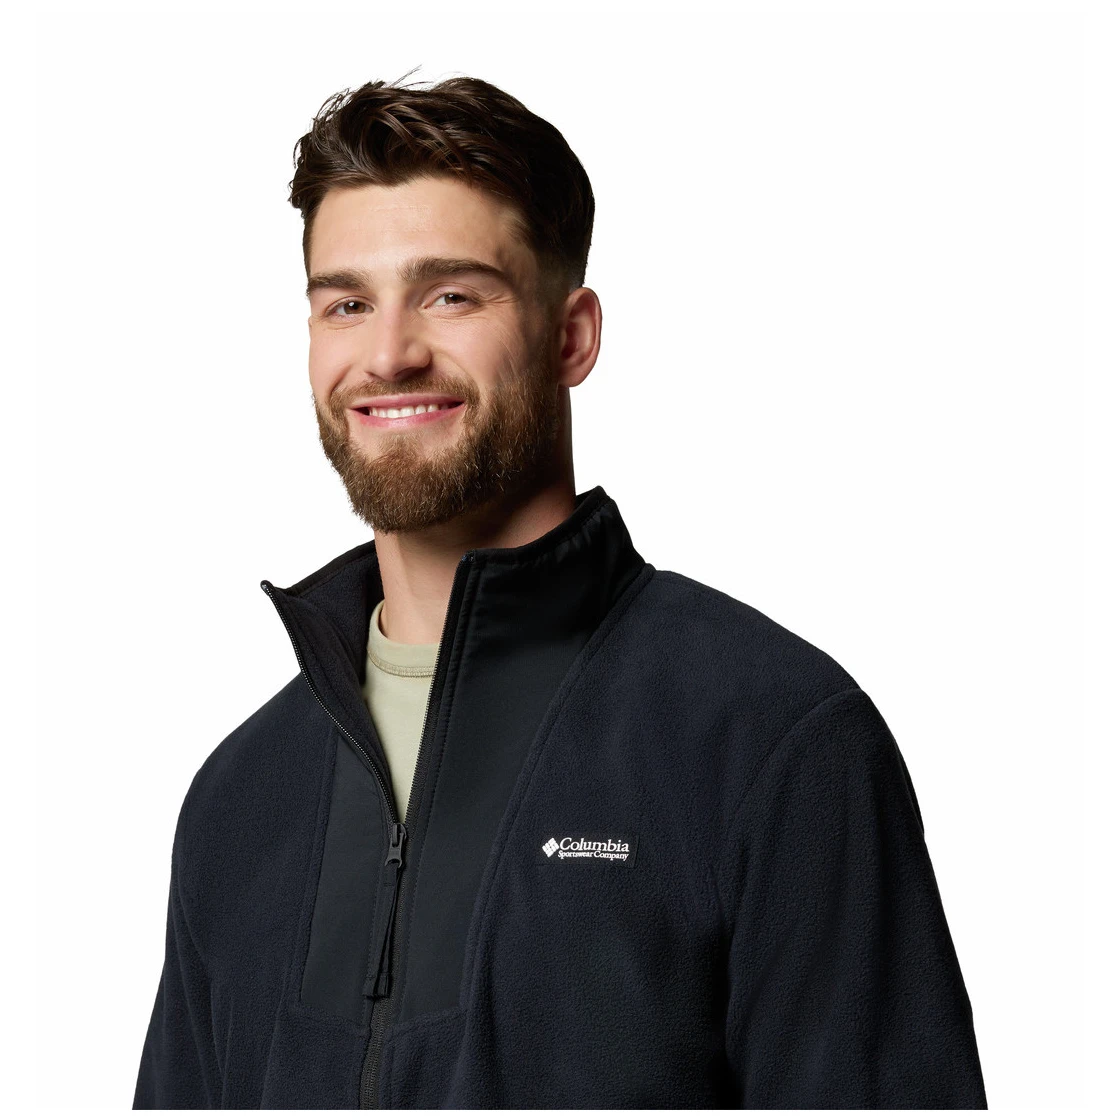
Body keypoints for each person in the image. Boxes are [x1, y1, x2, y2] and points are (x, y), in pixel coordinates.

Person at [132, 72, 988, 1109]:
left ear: (571, 337)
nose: (390, 353)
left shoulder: (770, 740)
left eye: (451, 294)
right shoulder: (238, 799)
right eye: (346, 304)